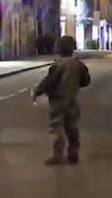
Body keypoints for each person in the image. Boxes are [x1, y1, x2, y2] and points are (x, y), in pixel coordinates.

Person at [32, 36, 91, 166]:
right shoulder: (78, 64)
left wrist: (37, 91)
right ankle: (73, 153)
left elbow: (49, 81)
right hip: (72, 100)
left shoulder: (58, 65)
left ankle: (57, 155)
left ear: (59, 48)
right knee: (72, 127)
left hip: (57, 100)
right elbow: (86, 81)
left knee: (56, 126)